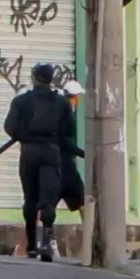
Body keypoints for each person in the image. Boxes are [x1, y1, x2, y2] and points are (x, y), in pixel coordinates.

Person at [4, 63, 76, 262]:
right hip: (51, 153)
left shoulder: (20, 101)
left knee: (30, 199)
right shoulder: (62, 103)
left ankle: (31, 247)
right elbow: (70, 130)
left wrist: (24, 136)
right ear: (52, 78)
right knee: (48, 200)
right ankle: (46, 243)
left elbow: (9, 127)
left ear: (34, 77)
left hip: (28, 152)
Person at [57, 80, 86, 220]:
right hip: (66, 166)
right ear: (76, 97)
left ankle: (25, 242)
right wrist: (84, 154)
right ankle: (91, 237)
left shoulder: (60, 111)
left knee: (43, 206)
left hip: (54, 165)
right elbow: (65, 142)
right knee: (83, 202)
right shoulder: (66, 114)